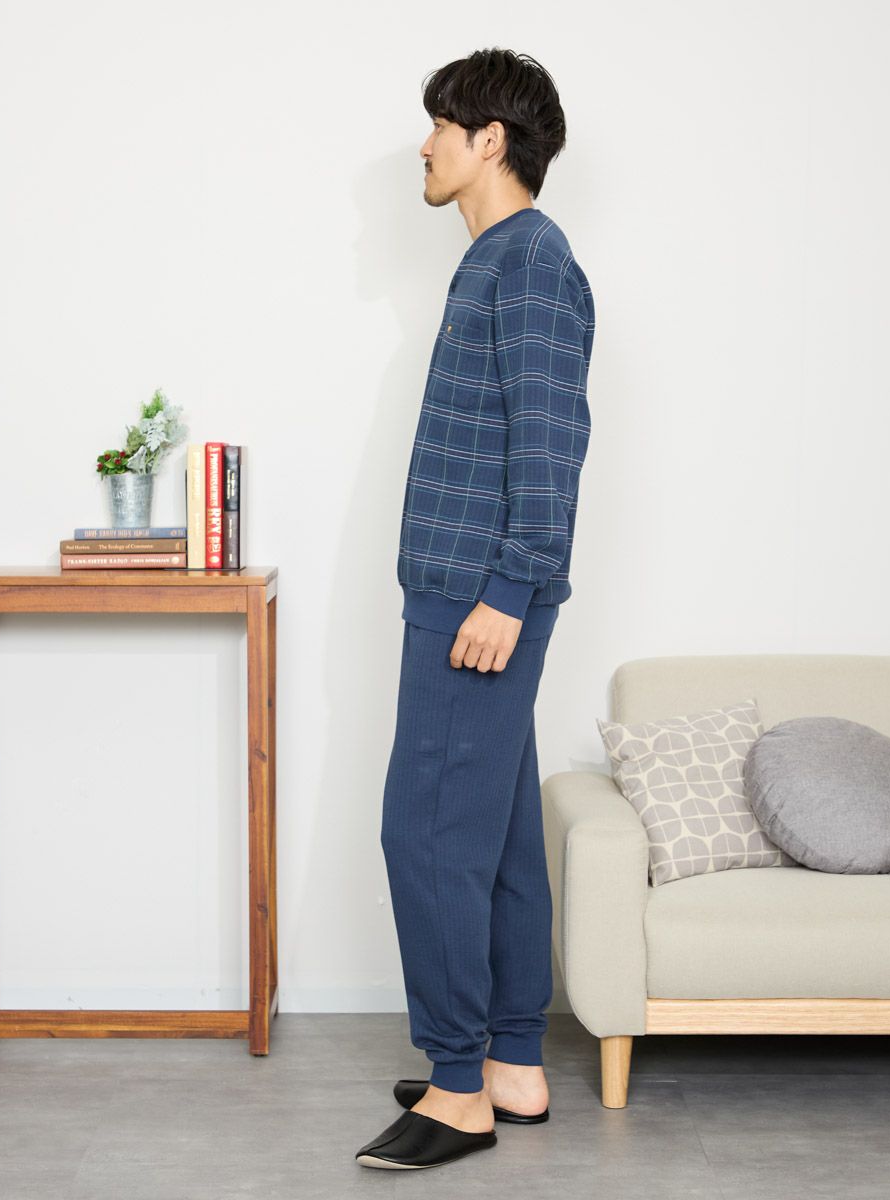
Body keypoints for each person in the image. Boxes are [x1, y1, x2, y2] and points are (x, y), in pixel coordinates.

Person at [355, 47, 595, 1171]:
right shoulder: (502, 260)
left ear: (489, 139)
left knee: (427, 834)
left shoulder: (531, 263)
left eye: (440, 126)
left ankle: (457, 1090)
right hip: (468, 590)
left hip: (475, 598)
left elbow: (551, 448)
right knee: (492, 842)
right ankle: (513, 1065)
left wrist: (505, 591)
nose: (425, 144)